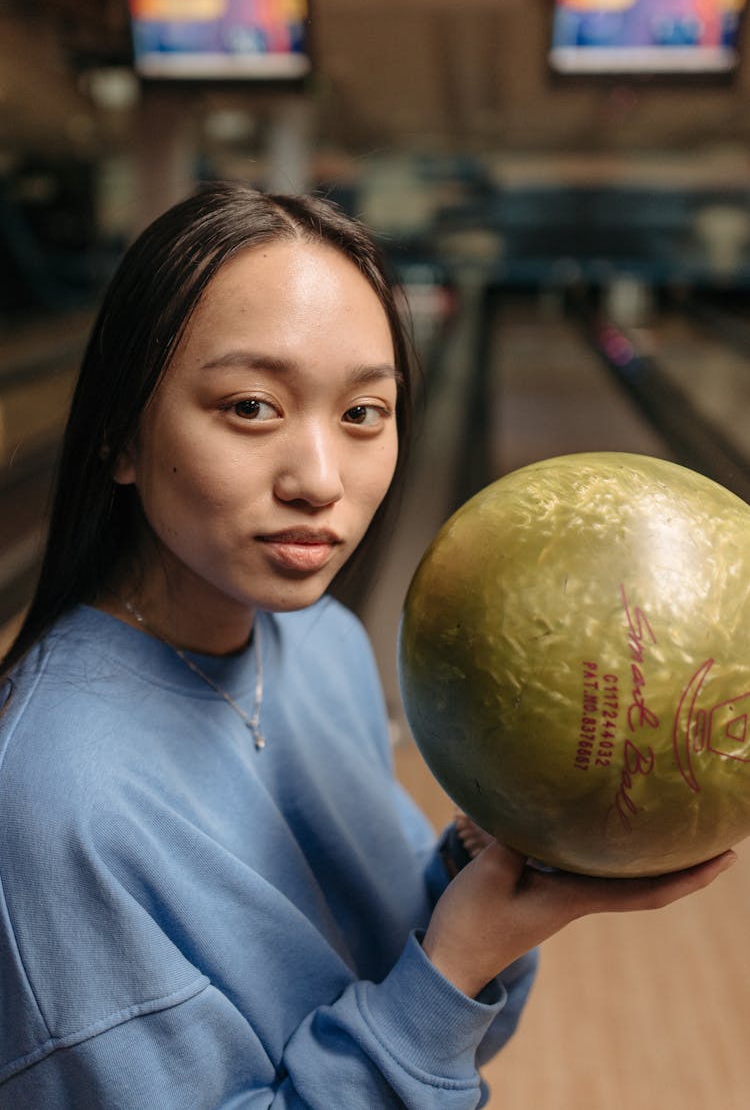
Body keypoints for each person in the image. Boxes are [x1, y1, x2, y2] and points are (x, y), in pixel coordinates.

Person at [0, 182, 736, 1109]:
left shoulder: (321, 645)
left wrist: (492, 861)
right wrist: (458, 959)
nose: (320, 480)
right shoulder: (51, 804)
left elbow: (405, 973)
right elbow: (425, 1000)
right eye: (252, 407)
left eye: (362, 415)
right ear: (121, 437)